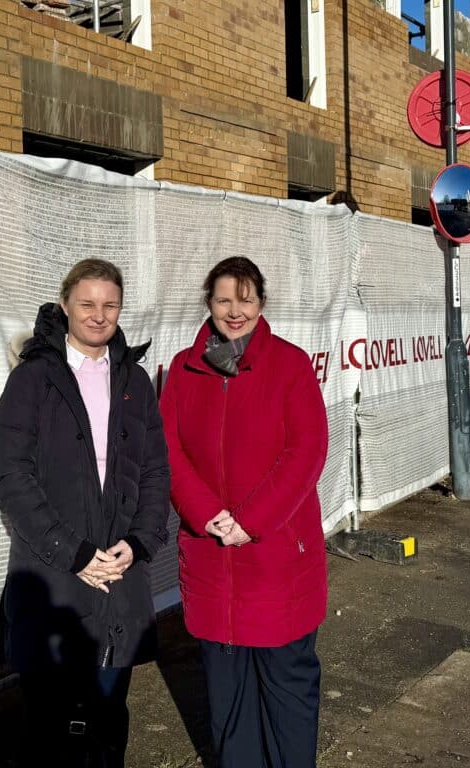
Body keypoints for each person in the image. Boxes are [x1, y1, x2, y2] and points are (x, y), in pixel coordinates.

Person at [0, 258, 170, 768]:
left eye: (109, 304)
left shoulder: (134, 381)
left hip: (120, 577)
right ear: (65, 304)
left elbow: (156, 473)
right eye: (87, 303)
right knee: (52, 731)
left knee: (109, 722)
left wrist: (137, 545)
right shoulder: (33, 379)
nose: (98, 315)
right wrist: (74, 554)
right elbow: (10, 476)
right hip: (55, 579)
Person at [159, 256, 329, 768]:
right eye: (224, 299)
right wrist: (206, 513)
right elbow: (167, 449)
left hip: (275, 562)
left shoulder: (290, 365)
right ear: (209, 304)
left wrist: (248, 523)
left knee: (287, 694)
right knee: (227, 704)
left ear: (262, 302)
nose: (235, 311)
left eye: (246, 298)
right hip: (212, 562)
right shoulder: (185, 372)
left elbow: (306, 452)